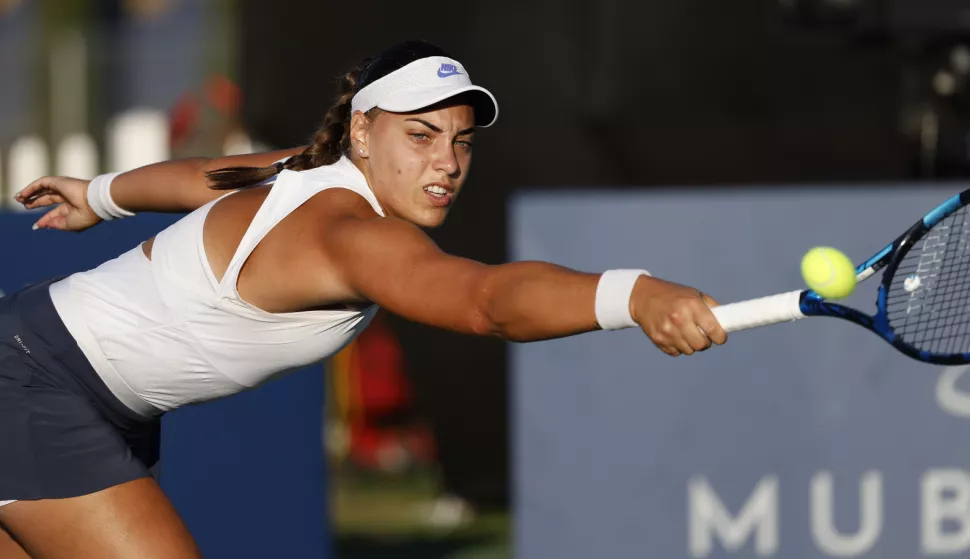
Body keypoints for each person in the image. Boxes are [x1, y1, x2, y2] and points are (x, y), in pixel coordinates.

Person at [0, 40, 727, 558]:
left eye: (461, 141)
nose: (446, 162)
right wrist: (634, 294)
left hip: (54, 374)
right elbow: (485, 301)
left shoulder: (303, 167)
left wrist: (98, 194)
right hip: (37, 383)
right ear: (362, 131)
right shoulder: (350, 232)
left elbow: (204, 175)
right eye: (421, 134)